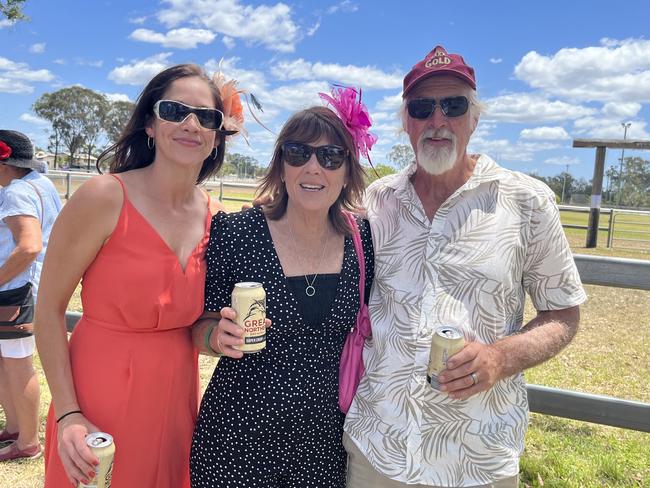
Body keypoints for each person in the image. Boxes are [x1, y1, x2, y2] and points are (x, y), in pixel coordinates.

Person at [343, 45, 587, 487]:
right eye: (422, 107)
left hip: (476, 457)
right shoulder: (377, 201)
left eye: (453, 105)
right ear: (405, 121)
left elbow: (564, 316)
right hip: (377, 448)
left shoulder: (526, 202)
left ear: (474, 118)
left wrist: (500, 356)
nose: (437, 121)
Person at [35, 64, 231, 487]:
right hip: (96, 394)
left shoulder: (218, 219)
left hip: (176, 398)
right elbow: (48, 309)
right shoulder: (105, 197)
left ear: (216, 136)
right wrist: (68, 412)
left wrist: (220, 335)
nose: (191, 123)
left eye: (206, 116)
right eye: (174, 110)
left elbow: (203, 322)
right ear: (149, 122)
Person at [189, 95, 375, 488]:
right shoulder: (237, 233)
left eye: (330, 156)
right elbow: (198, 325)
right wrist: (215, 336)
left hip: (323, 447)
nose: (313, 167)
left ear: (346, 170)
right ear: (281, 164)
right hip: (237, 441)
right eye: (298, 153)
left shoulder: (364, 242)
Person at [0, 130, 61, 462]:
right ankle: (15, 428)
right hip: (28, 286)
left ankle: (26, 442)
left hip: (15, 290)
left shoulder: (17, 192)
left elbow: (29, 245)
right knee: (9, 362)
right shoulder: (41, 184)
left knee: (17, 364)